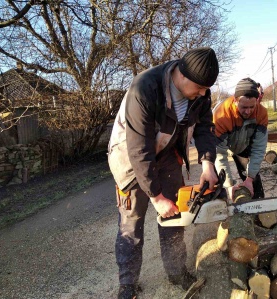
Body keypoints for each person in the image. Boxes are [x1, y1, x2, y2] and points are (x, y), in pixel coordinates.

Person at [108, 47, 219, 299]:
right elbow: (139, 149)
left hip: (167, 153)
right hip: (130, 157)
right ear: (182, 75)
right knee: (131, 224)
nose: (203, 93)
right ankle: (127, 284)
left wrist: (208, 163)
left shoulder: (201, 93)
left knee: (174, 216)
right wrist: (156, 197)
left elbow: (204, 127)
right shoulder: (144, 88)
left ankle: (177, 272)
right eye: (200, 88)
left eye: (206, 89)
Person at [213, 77, 268, 199]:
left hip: (244, 145)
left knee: (253, 182)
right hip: (221, 144)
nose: (248, 111)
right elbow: (219, 154)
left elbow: (259, 148)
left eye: (251, 107)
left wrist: (250, 178)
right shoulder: (222, 115)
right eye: (244, 107)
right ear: (235, 100)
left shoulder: (261, 113)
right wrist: (229, 185)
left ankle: (258, 208)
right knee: (215, 179)